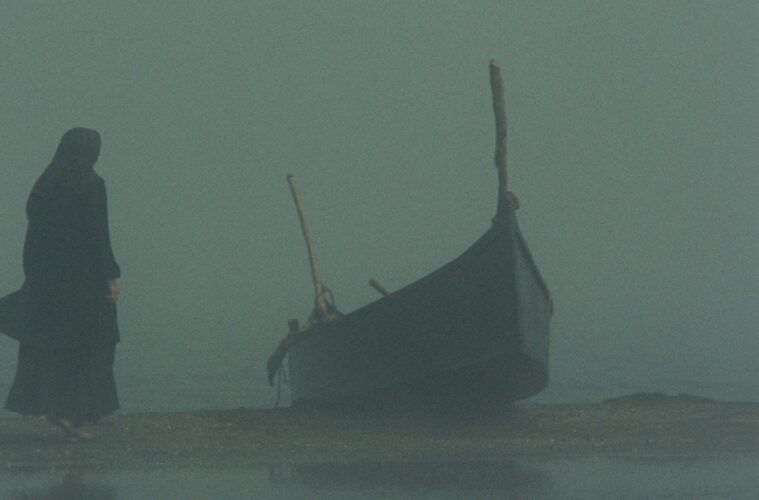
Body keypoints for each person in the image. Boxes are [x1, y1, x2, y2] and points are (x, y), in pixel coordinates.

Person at [0, 127, 121, 439]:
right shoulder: (92, 185)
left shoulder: (46, 185)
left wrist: (34, 276)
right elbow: (98, 236)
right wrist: (111, 276)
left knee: (53, 346)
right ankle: (74, 414)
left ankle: (60, 409)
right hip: (84, 283)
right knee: (91, 345)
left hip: (49, 281)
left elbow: (33, 237)